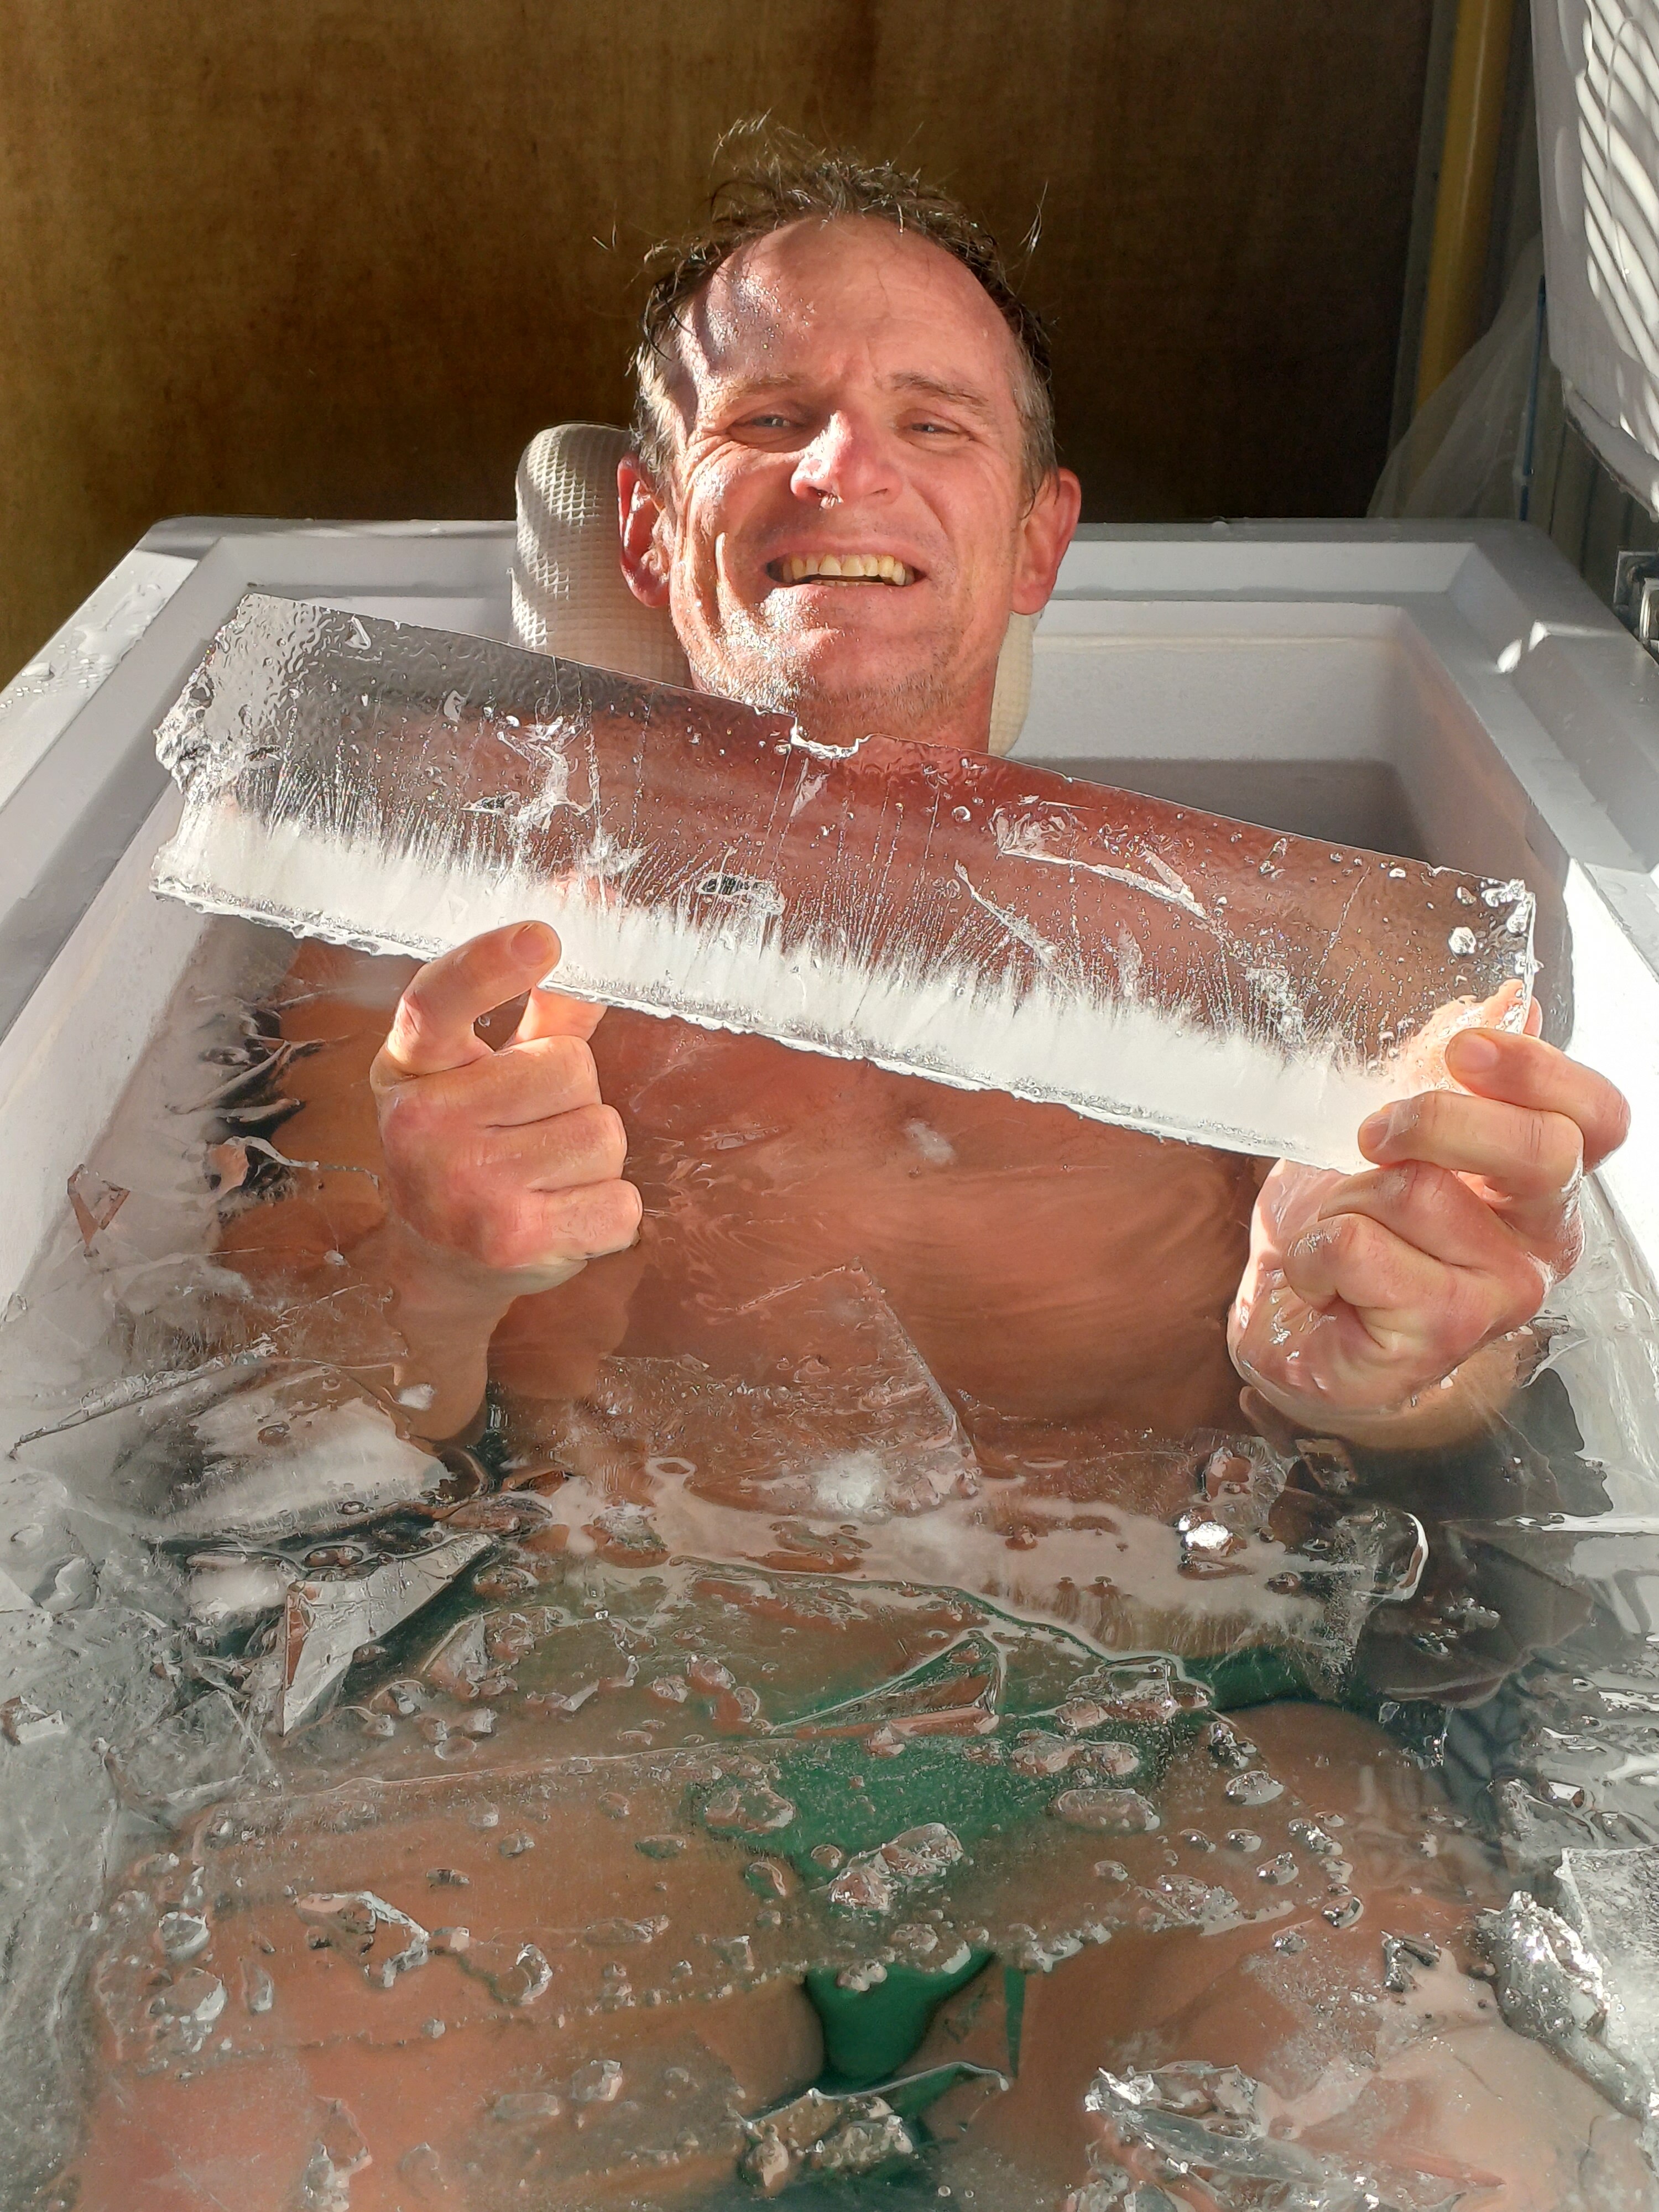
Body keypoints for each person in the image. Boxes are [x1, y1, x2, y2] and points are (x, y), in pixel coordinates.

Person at [67, 143, 1645, 2210]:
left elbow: (1444, 1426)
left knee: (1440, 2155)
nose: (848, 471)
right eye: (768, 418)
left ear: (1042, 533)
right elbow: (263, 1469)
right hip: (591, 1735)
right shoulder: (432, 913)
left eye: (934, 421)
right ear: (649, 518)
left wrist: (1381, 1366)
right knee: (232, 2145)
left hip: (1171, 1744)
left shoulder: (1303, 967)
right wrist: (444, 1280)